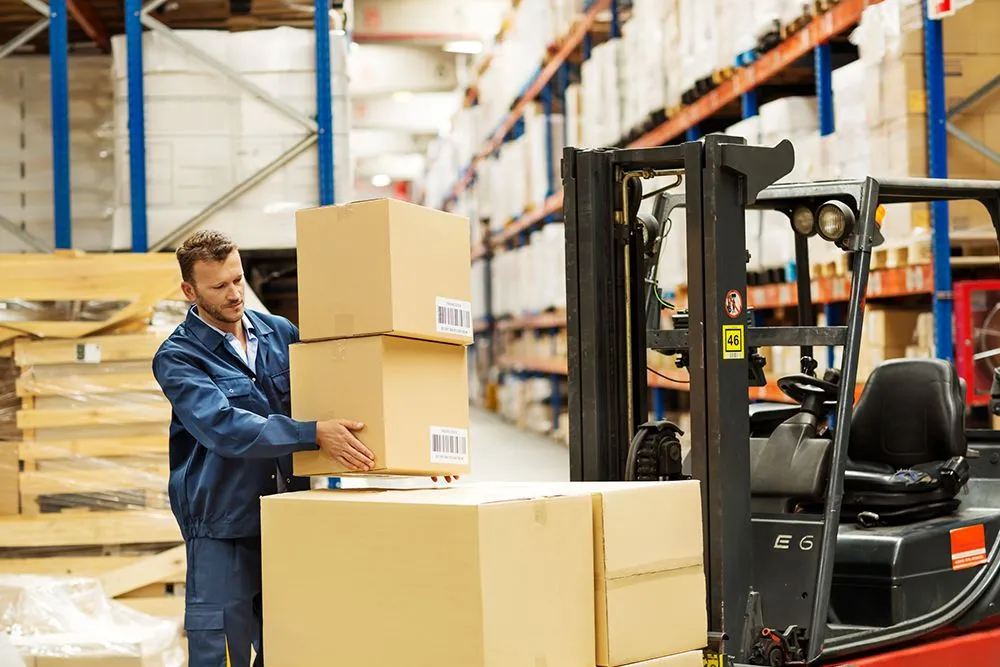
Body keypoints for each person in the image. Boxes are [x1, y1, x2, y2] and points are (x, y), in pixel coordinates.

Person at [152, 229, 381, 667]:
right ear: (189, 291)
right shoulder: (179, 357)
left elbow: (338, 395)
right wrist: (311, 434)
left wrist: (411, 459)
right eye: (219, 286)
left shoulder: (280, 333)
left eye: (238, 279)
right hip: (223, 526)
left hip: (289, 517)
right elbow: (223, 427)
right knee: (222, 652)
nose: (234, 294)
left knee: (293, 646)